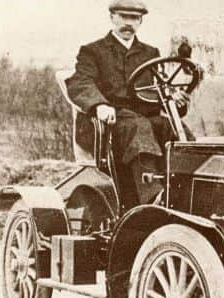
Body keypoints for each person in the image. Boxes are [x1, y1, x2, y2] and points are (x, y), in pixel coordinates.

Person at [66, 0, 189, 205]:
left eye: (134, 18)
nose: (128, 23)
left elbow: (159, 91)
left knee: (174, 129)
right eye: (124, 17)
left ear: (140, 22)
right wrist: (99, 105)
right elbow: (80, 83)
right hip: (107, 124)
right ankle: (152, 198)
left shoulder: (150, 54)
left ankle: (187, 193)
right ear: (112, 17)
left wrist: (174, 99)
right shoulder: (92, 51)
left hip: (142, 120)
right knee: (138, 126)